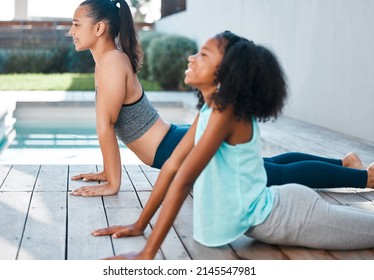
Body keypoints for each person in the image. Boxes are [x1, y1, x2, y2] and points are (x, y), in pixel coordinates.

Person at [92, 31, 374, 259]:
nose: (191, 57)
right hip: (279, 210)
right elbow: (172, 167)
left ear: (224, 72)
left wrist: (147, 253)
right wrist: (139, 225)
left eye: (203, 55)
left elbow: (184, 178)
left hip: (288, 216)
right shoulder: (208, 111)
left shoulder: (224, 112)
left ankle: (362, 176)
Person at [68, 0, 374, 197]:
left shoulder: (110, 62)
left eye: (76, 24)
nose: (71, 31)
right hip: (171, 141)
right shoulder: (109, 60)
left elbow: (106, 126)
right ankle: (345, 163)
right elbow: (109, 125)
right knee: (266, 166)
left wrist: (113, 183)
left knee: (271, 175)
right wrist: (107, 172)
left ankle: (364, 178)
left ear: (99, 27)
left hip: (171, 145)